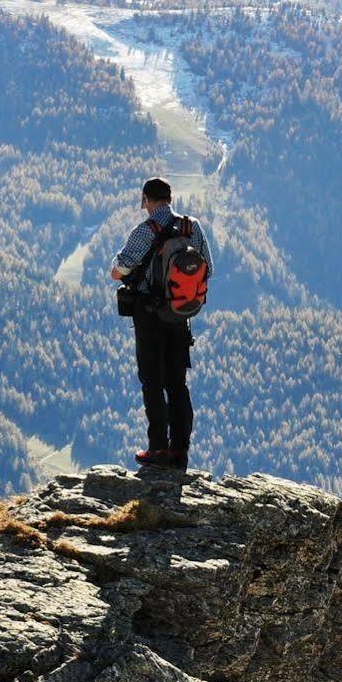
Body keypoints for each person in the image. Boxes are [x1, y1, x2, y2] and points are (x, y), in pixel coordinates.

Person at [109, 176, 209, 471]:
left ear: (147, 200)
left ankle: (158, 449)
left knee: (152, 382)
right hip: (180, 316)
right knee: (177, 383)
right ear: (170, 197)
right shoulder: (193, 227)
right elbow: (208, 268)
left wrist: (121, 267)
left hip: (149, 316)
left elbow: (119, 270)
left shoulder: (146, 230)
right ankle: (180, 451)